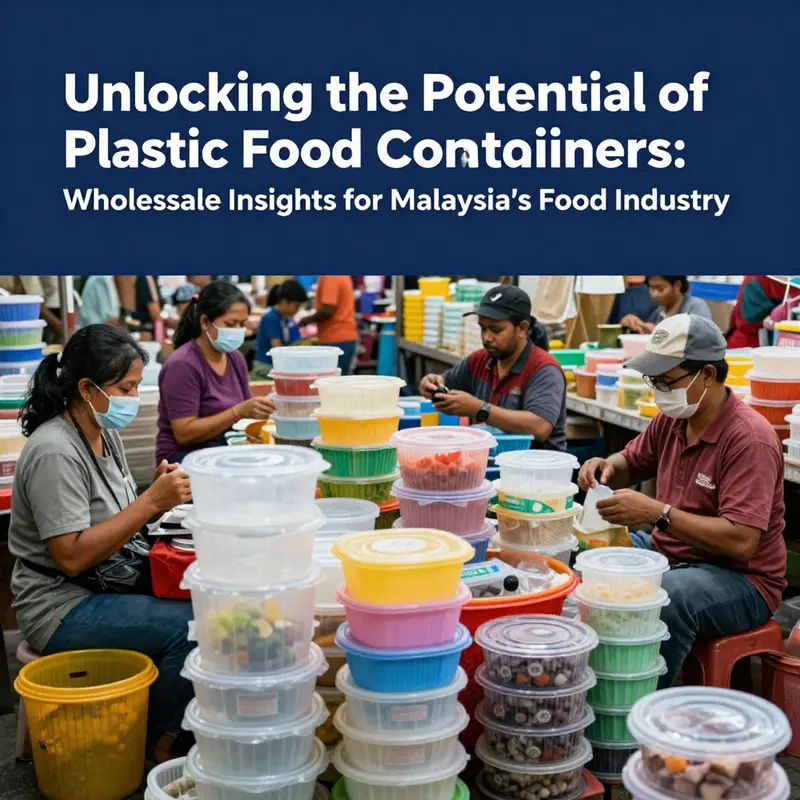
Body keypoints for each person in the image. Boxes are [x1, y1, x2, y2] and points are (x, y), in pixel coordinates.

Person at [9, 324, 194, 763]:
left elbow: (122, 515)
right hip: (60, 603)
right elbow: (70, 557)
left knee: (216, 596)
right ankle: (156, 747)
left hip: (108, 580)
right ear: (88, 388)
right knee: (192, 628)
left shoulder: (102, 433)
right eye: (126, 387)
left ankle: (173, 727)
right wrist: (152, 502)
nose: (133, 396)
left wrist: (163, 502)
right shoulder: (55, 450)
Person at [578, 314, 786, 688]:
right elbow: (631, 463)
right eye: (653, 380)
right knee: (589, 559)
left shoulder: (749, 439)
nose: (658, 390)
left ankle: (638, 704)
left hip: (742, 580)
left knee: (668, 598)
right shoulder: (674, 419)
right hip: (672, 554)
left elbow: (741, 542)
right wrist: (605, 467)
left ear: (707, 374)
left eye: (666, 380)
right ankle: (591, 679)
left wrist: (659, 514)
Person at [419, 285, 567, 449]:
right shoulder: (479, 360)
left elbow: (540, 427)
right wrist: (432, 385)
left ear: (522, 329)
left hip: (537, 469)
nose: (487, 337)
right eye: (483, 328)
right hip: (490, 462)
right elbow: (445, 385)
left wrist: (480, 410)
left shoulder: (544, 369)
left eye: (496, 330)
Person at [156, 280, 274, 462]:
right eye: (231, 323)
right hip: (184, 460)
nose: (238, 331)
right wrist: (237, 412)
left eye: (242, 324)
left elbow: (246, 415)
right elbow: (184, 433)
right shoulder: (183, 365)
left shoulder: (235, 359)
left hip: (223, 449)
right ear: (205, 321)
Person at [251, 279, 309, 380]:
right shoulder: (271, 318)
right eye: (296, 306)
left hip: (280, 366)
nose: (297, 310)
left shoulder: (289, 320)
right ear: (284, 302)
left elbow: (297, 343)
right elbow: (277, 348)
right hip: (266, 367)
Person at [299, 275, 358, 374]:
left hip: (335, 338)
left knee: (333, 383)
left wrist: (305, 320)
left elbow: (328, 310)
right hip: (342, 336)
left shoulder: (330, 276)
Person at [727, 275, 800, 348]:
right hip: (750, 342)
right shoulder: (755, 280)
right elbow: (749, 319)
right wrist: (774, 317)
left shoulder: (795, 282)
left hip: (788, 340)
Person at [621, 276, 713, 334]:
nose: (654, 294)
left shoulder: (696, 306)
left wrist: (658, 331)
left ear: (677, 286)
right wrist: (638, 325)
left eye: (660, 289)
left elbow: (703, 338)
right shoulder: (659, 312)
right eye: (651, 289)